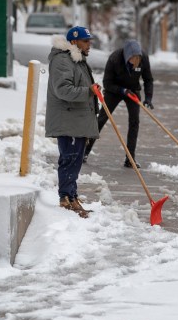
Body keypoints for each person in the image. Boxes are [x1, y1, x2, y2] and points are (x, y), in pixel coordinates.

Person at [45, 25, 100, 218]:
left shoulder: (77, 61)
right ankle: (66, 199)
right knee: (69, 160)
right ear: (74, 42)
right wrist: (88, 92)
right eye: (86, 41)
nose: (89, 45)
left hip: (76, 120)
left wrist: (90, 89)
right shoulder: (62, 61)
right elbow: (63, 90)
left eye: (90, 41)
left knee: (75, 160)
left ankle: (72, 195)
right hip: (67, 121)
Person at [84, 39, 153, 168]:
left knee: (134, 122)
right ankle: (84, 152)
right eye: (132, 60)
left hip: (132, 91)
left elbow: (148, 79)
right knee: (101, 119)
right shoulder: (115, 59)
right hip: (114, 90)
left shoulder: (143, 59)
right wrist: (121, 90)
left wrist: (148, 98)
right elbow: (107, 83)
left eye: (137, 60)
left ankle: (130, 159)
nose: (135, 63)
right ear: (127, 56)